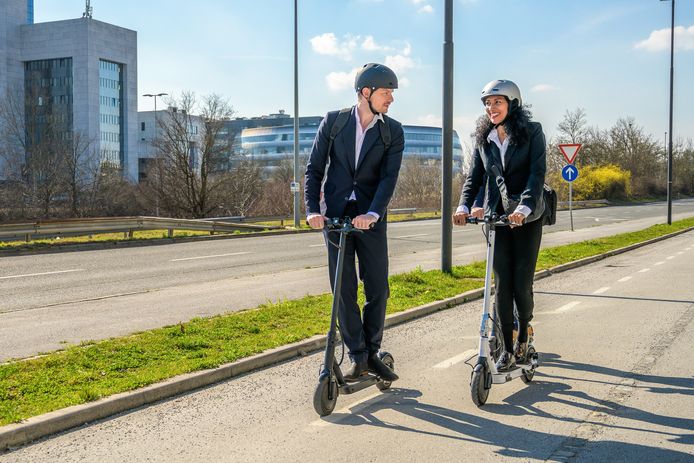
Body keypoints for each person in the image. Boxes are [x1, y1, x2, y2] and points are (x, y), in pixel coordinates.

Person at [304, 63, 404, 382]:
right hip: (334, 218)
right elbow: (314, 169)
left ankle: (372, 351)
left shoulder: (392, 131)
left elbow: (388, 179)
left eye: (391, 93)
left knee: (378, 288)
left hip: (370, 219)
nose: (390, 99)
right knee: (343, 290)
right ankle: (358, 356)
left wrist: (373, 213)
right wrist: (312, 210)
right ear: (366, 92)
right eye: (386, 92)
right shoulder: (333, 123)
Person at [453, 79, 546, 371]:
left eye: (497, 102)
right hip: (498, 218)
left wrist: (524, 207)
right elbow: (475, 178)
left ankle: (524, 331)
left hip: (526, 217)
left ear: (513, 104)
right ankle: (506, 346)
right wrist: (464, 206)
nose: (491, 108)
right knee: (502, 284)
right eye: (487, 103)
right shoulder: (485, 138)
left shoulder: (532, 132)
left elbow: (536, 174)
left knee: (521, 283)